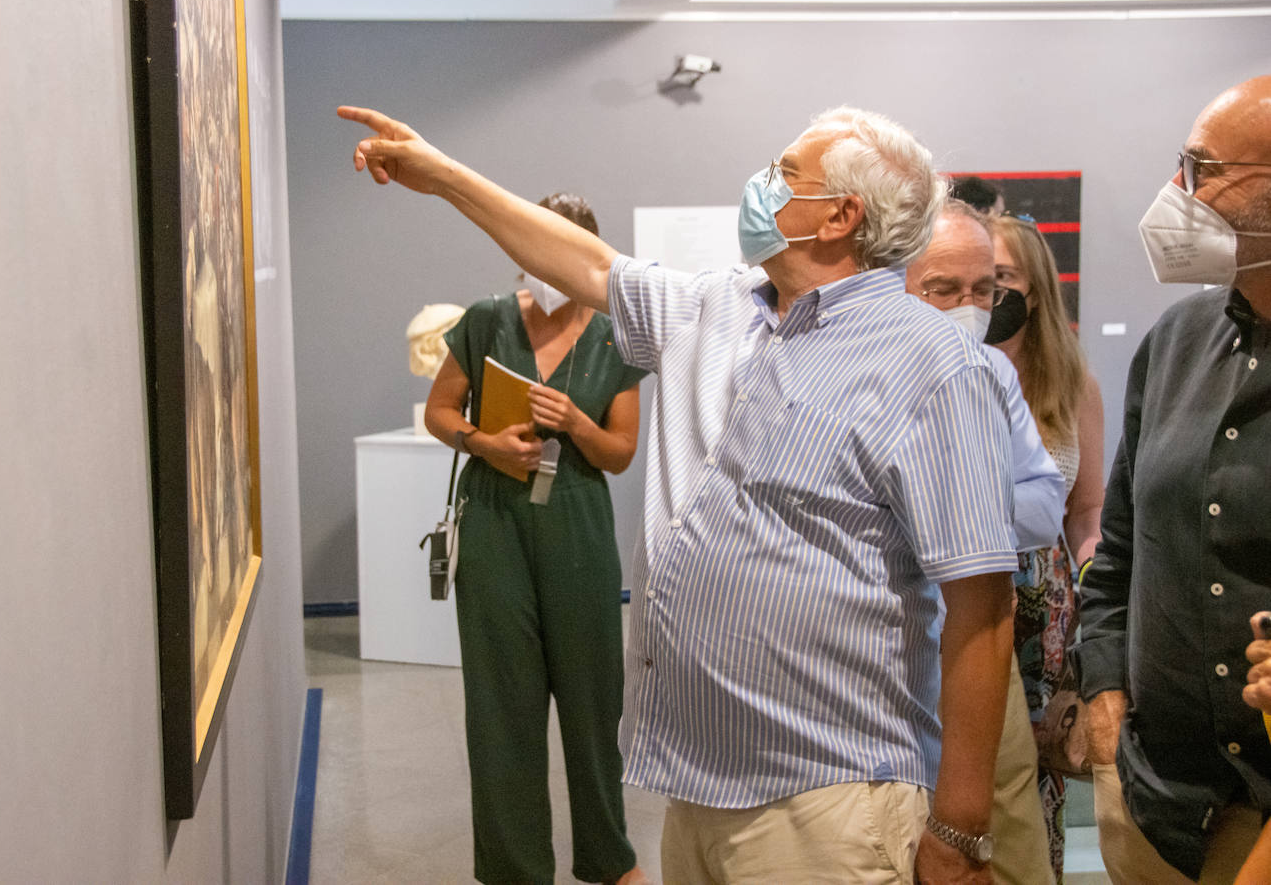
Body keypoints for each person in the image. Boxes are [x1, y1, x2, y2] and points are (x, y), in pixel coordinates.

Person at [340, 102, 1019, 884]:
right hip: (696, 790)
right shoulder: (715, 307)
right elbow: (586, 264)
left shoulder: (933, 364)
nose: (760, 187)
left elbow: (981, 607)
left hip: (828, 800)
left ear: (840, 215)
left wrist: (960, 829)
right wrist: (445, 176)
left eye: (783, 174)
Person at [1073, 75, 1271, 883]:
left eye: (1202, 168)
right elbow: (1118, 546)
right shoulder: (1178, 341)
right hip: (1157, 801)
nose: (1176, 192)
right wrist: (1105, 689)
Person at [422, 193, 650, 885]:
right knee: (502, 703)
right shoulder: (486, 321)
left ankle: (609, 857)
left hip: (576, 520)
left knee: (592, 699)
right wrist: (482, 443)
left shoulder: (617, 334)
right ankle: (513, 868)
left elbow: (618, 454)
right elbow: (438, 411)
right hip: (494, 518)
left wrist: (577, 424)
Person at [905, 200, 1066, 885]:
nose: (968, 307)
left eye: (984, 291)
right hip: (884, 658)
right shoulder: (850, 377)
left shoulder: (991, 374)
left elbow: (1045, 503)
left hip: (978, 644)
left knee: (1009, 831)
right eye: (944, 290)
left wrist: (953, 504)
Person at [988, 212, 1105, 877]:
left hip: (1047, 605)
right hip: (966, 587)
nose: (988, 295)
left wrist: (1092, 583)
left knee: (1036, 771)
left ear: (1034, 289)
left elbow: (1085, 510)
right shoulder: (953, 369)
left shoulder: (1071, 384)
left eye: (1001, 278)